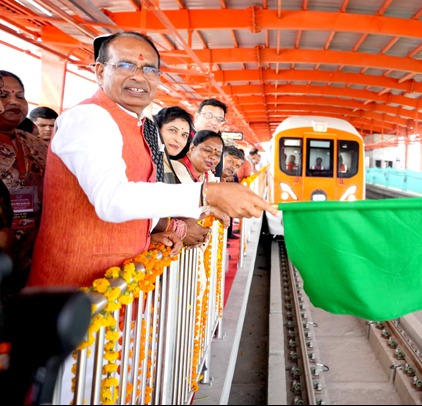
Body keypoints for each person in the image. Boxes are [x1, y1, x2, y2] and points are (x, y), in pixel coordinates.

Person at [27, 32, 276, 289]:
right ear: (100, 71)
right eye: (125, 65)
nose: (138, 76)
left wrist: (148, 234)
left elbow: (137, 195)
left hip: (113, 288)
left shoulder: (139, 125)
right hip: (74, 291)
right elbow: (111, 199)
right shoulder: (89, 117)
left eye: (149, 69)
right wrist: (207, 194)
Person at [0, 70, 49, 292]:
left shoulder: (37, 144)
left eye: (20, 96)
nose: (13, 102)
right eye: (3, 94)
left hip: (35, 253)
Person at [154, 106, 209, 248]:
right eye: (173, 130)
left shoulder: (168, 164)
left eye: (184, 135)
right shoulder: (150, 161)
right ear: (158, 130)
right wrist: (181, 229)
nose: (178, 139)